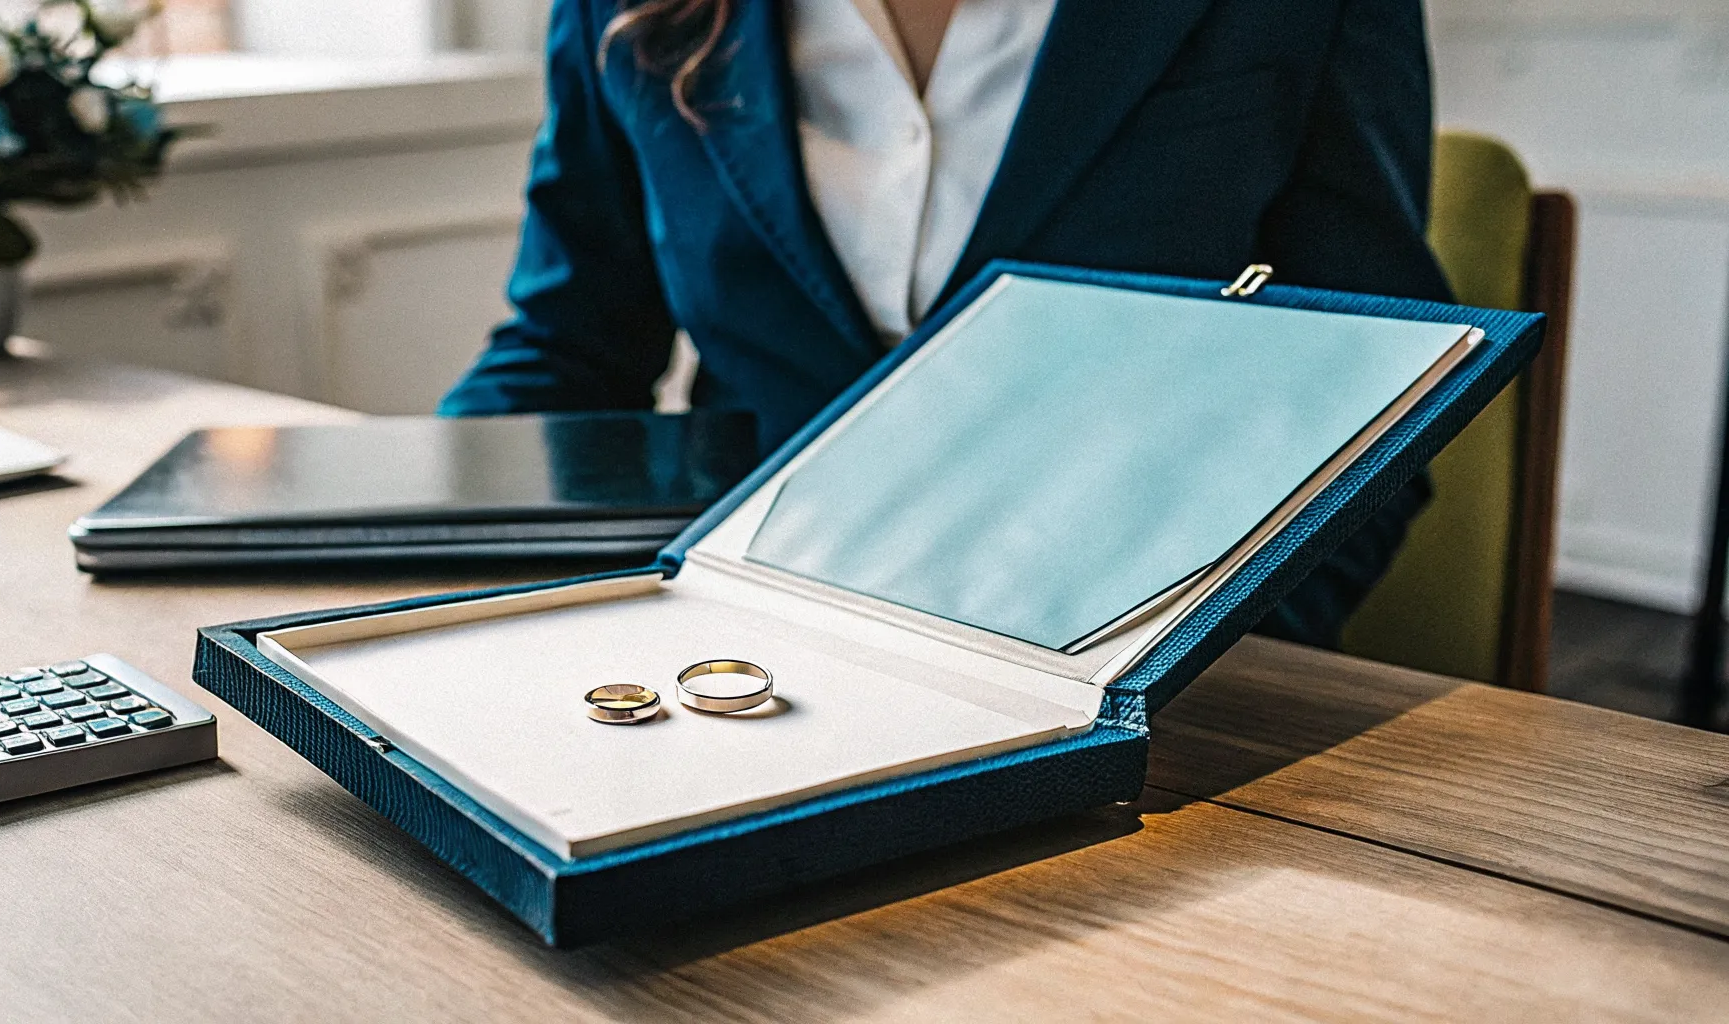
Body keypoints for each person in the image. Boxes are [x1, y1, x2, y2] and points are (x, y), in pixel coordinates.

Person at [441, 0, 1453, 648]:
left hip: (1122, 651)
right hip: (730, 638)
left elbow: (1372, 390)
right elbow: (567, 347)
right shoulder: (617, 13)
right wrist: (381, 561)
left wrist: (1170, 668)